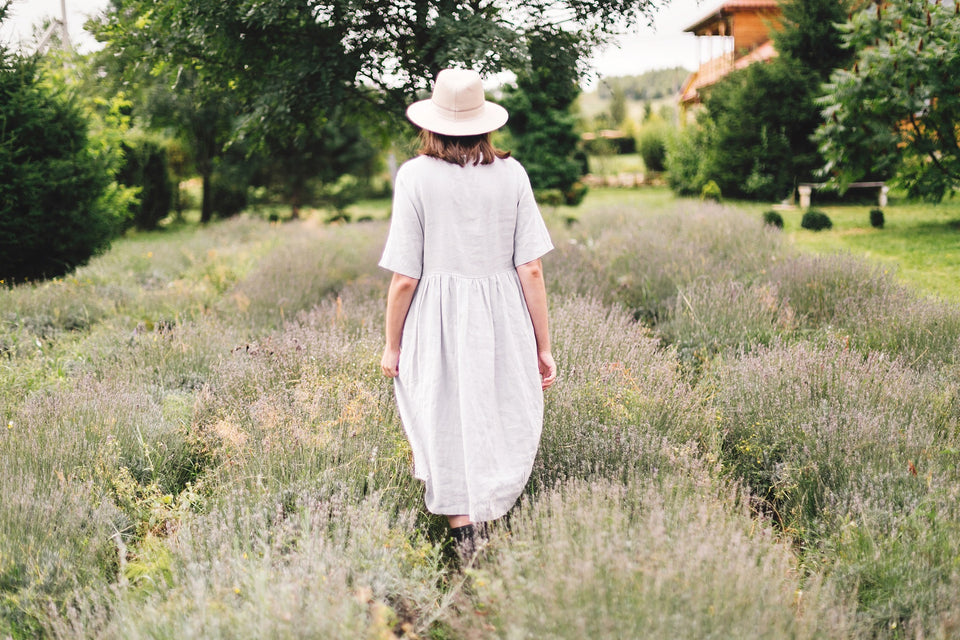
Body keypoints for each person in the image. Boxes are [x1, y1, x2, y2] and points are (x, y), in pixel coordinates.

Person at [378, 68, 557, 554]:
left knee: (444, 420)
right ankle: (490, 534)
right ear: (484, 123)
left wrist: (392, 345)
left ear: (432, 122)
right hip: (502, 319)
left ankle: (466, 547)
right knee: (497, 416)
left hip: (434, 321)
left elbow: (405, 279)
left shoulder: (413, 176)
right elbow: (532, 270)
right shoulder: (512, 174)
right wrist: (542, 347)